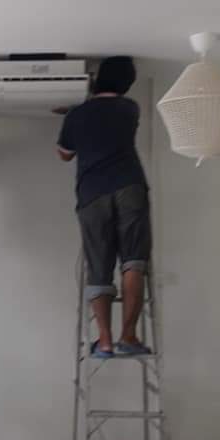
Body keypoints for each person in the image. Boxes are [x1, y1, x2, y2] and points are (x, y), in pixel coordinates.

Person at [57, 56, 151, 357]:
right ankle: (129, 337)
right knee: (133, 260)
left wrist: (72, 118)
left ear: (97, 78)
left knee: (99, 266)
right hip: (129, 186)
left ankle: (106, 341)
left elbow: (64, 154)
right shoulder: (130, 108)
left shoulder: (77, 115)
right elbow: (106, 118)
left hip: (92, 194)